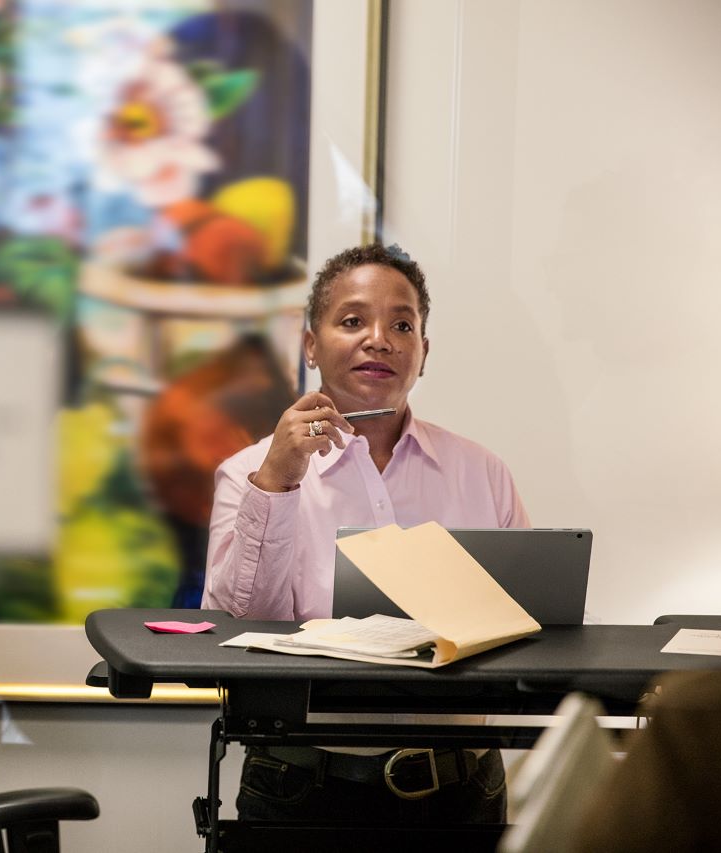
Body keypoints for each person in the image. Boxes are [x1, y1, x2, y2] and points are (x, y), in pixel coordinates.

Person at [202, 243, 528, 826]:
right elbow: (238, 627)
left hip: (462, 792)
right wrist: (277, 482)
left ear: (422, 353)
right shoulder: (250, 472)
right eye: (352, 320)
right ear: (311, 344)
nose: (379, 339)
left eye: (402, 324)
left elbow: (525, 627)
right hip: (303, 788)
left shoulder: (483, 472)